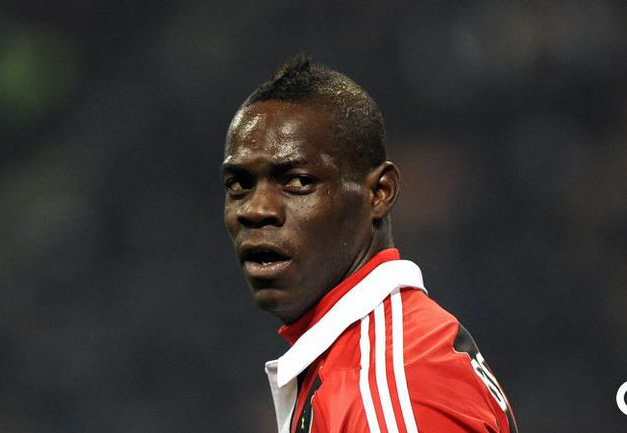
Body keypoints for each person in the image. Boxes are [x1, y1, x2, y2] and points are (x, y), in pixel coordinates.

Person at [222, 55, 519, 433]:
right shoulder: (365, 361)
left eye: (298, 181)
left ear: (379, 193)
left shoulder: (389, 384)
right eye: (239, 185)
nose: (255, 209)